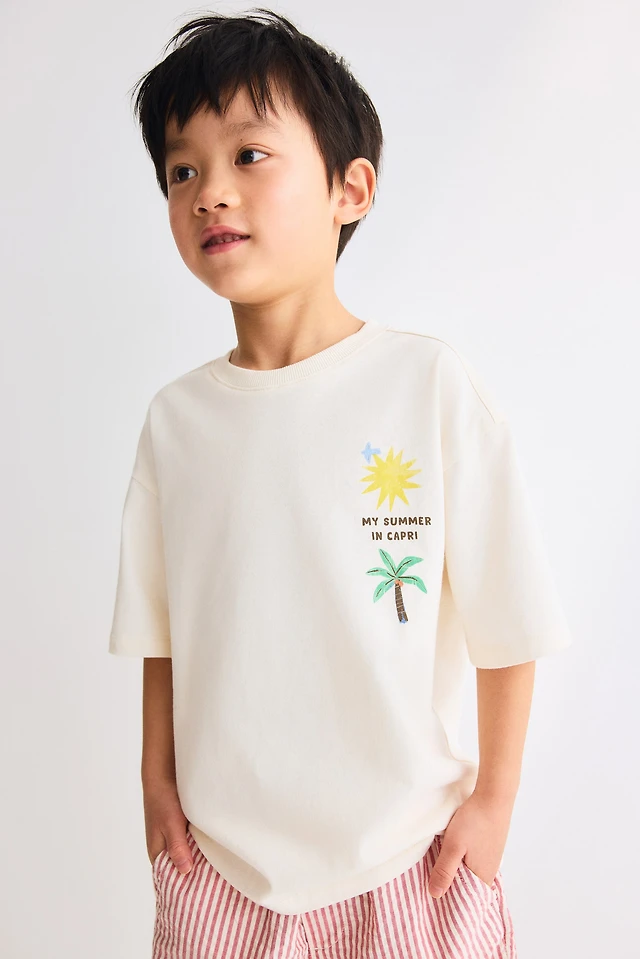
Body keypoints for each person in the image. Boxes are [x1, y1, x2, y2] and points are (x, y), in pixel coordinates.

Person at [109, 9, 572, 958]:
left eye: (249, 155)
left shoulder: (426, 385)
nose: (209, 192)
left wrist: (494, 802)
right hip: (221, 867)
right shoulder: (177, 421)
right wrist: (155, 783)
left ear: (348, 189)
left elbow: (511, 618)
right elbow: (162, 630)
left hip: (413, 861)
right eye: (182, 171)